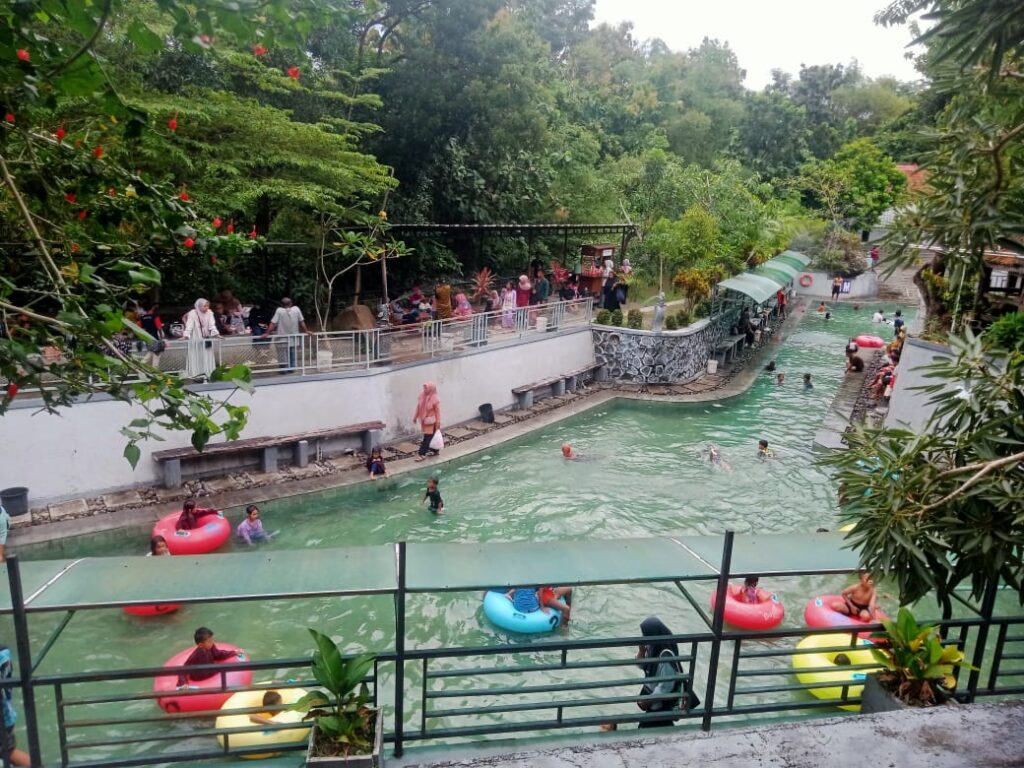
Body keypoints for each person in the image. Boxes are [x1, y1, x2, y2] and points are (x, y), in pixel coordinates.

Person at [601, 617, 693, 731]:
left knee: (649, 728)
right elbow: (641, 665)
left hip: (660, 704)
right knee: (659, 727)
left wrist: (648, 701)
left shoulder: (665, 656)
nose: (644, 637)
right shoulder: (654, 647)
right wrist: (642, 651)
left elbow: (666, 687)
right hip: (655, 703)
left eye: (646, 634)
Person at [176, 627, 245, 687]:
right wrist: (184, 683)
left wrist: (234, 652)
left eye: (212, 640)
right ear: (200, 645)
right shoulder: (195, 656)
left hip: (211, 671)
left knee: (228, 669)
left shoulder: (211, 647)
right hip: (200, 678)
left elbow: (218, 655)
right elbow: (183, 669)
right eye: (209, 641)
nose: (212, 643)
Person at [0, 644, 31, 766]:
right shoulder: (4, 652)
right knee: (8, 752)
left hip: (3, 717)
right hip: (7, 715)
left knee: (8, 753)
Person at [267, 297, 310, 372]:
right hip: (293, 338)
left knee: (282, 354)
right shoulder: (296, 309)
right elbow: (301, 321)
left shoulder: (279, 311)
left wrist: (267, 332)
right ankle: (292, 368)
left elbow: (273, 323)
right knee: (291, 353)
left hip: (282, 338)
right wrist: (306, 331)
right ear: (291, 303)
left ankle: (283, 370)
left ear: (282, 305)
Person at [182, 298, 219, 380]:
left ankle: (208, 372)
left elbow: (212, 324)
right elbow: (189, 325)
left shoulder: (209, 312)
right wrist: (186, 335)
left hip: (206, 336)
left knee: (207, 353)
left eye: (208, 306)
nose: (207, 308)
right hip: (195, 335)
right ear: (199, 306)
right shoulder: (192, 313)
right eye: (204, 306)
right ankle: (196, 372)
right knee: (196, 353)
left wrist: (216, 334)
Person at [413, 382, 441, 461]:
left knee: (427, 438)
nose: (425, 389)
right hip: (425, 421)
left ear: (431, 389)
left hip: (432, 422)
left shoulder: (435, 399)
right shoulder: (422, 396)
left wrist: (438, 422)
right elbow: (418, 408)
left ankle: (422, 454)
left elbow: (437, 412)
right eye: (424, 388)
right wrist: (415, 417)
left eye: (426, 388)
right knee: (430, 437)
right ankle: (435, 450)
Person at [138, 303, 166, 368]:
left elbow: (139, 328)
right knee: (156, 354)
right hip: (155, 338)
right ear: (152, 309)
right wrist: (161, 338)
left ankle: (141, 364)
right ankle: (154, 369)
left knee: (151, 352)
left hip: (147, 338)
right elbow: (159, 328)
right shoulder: (155, 317)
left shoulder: (142, 318)